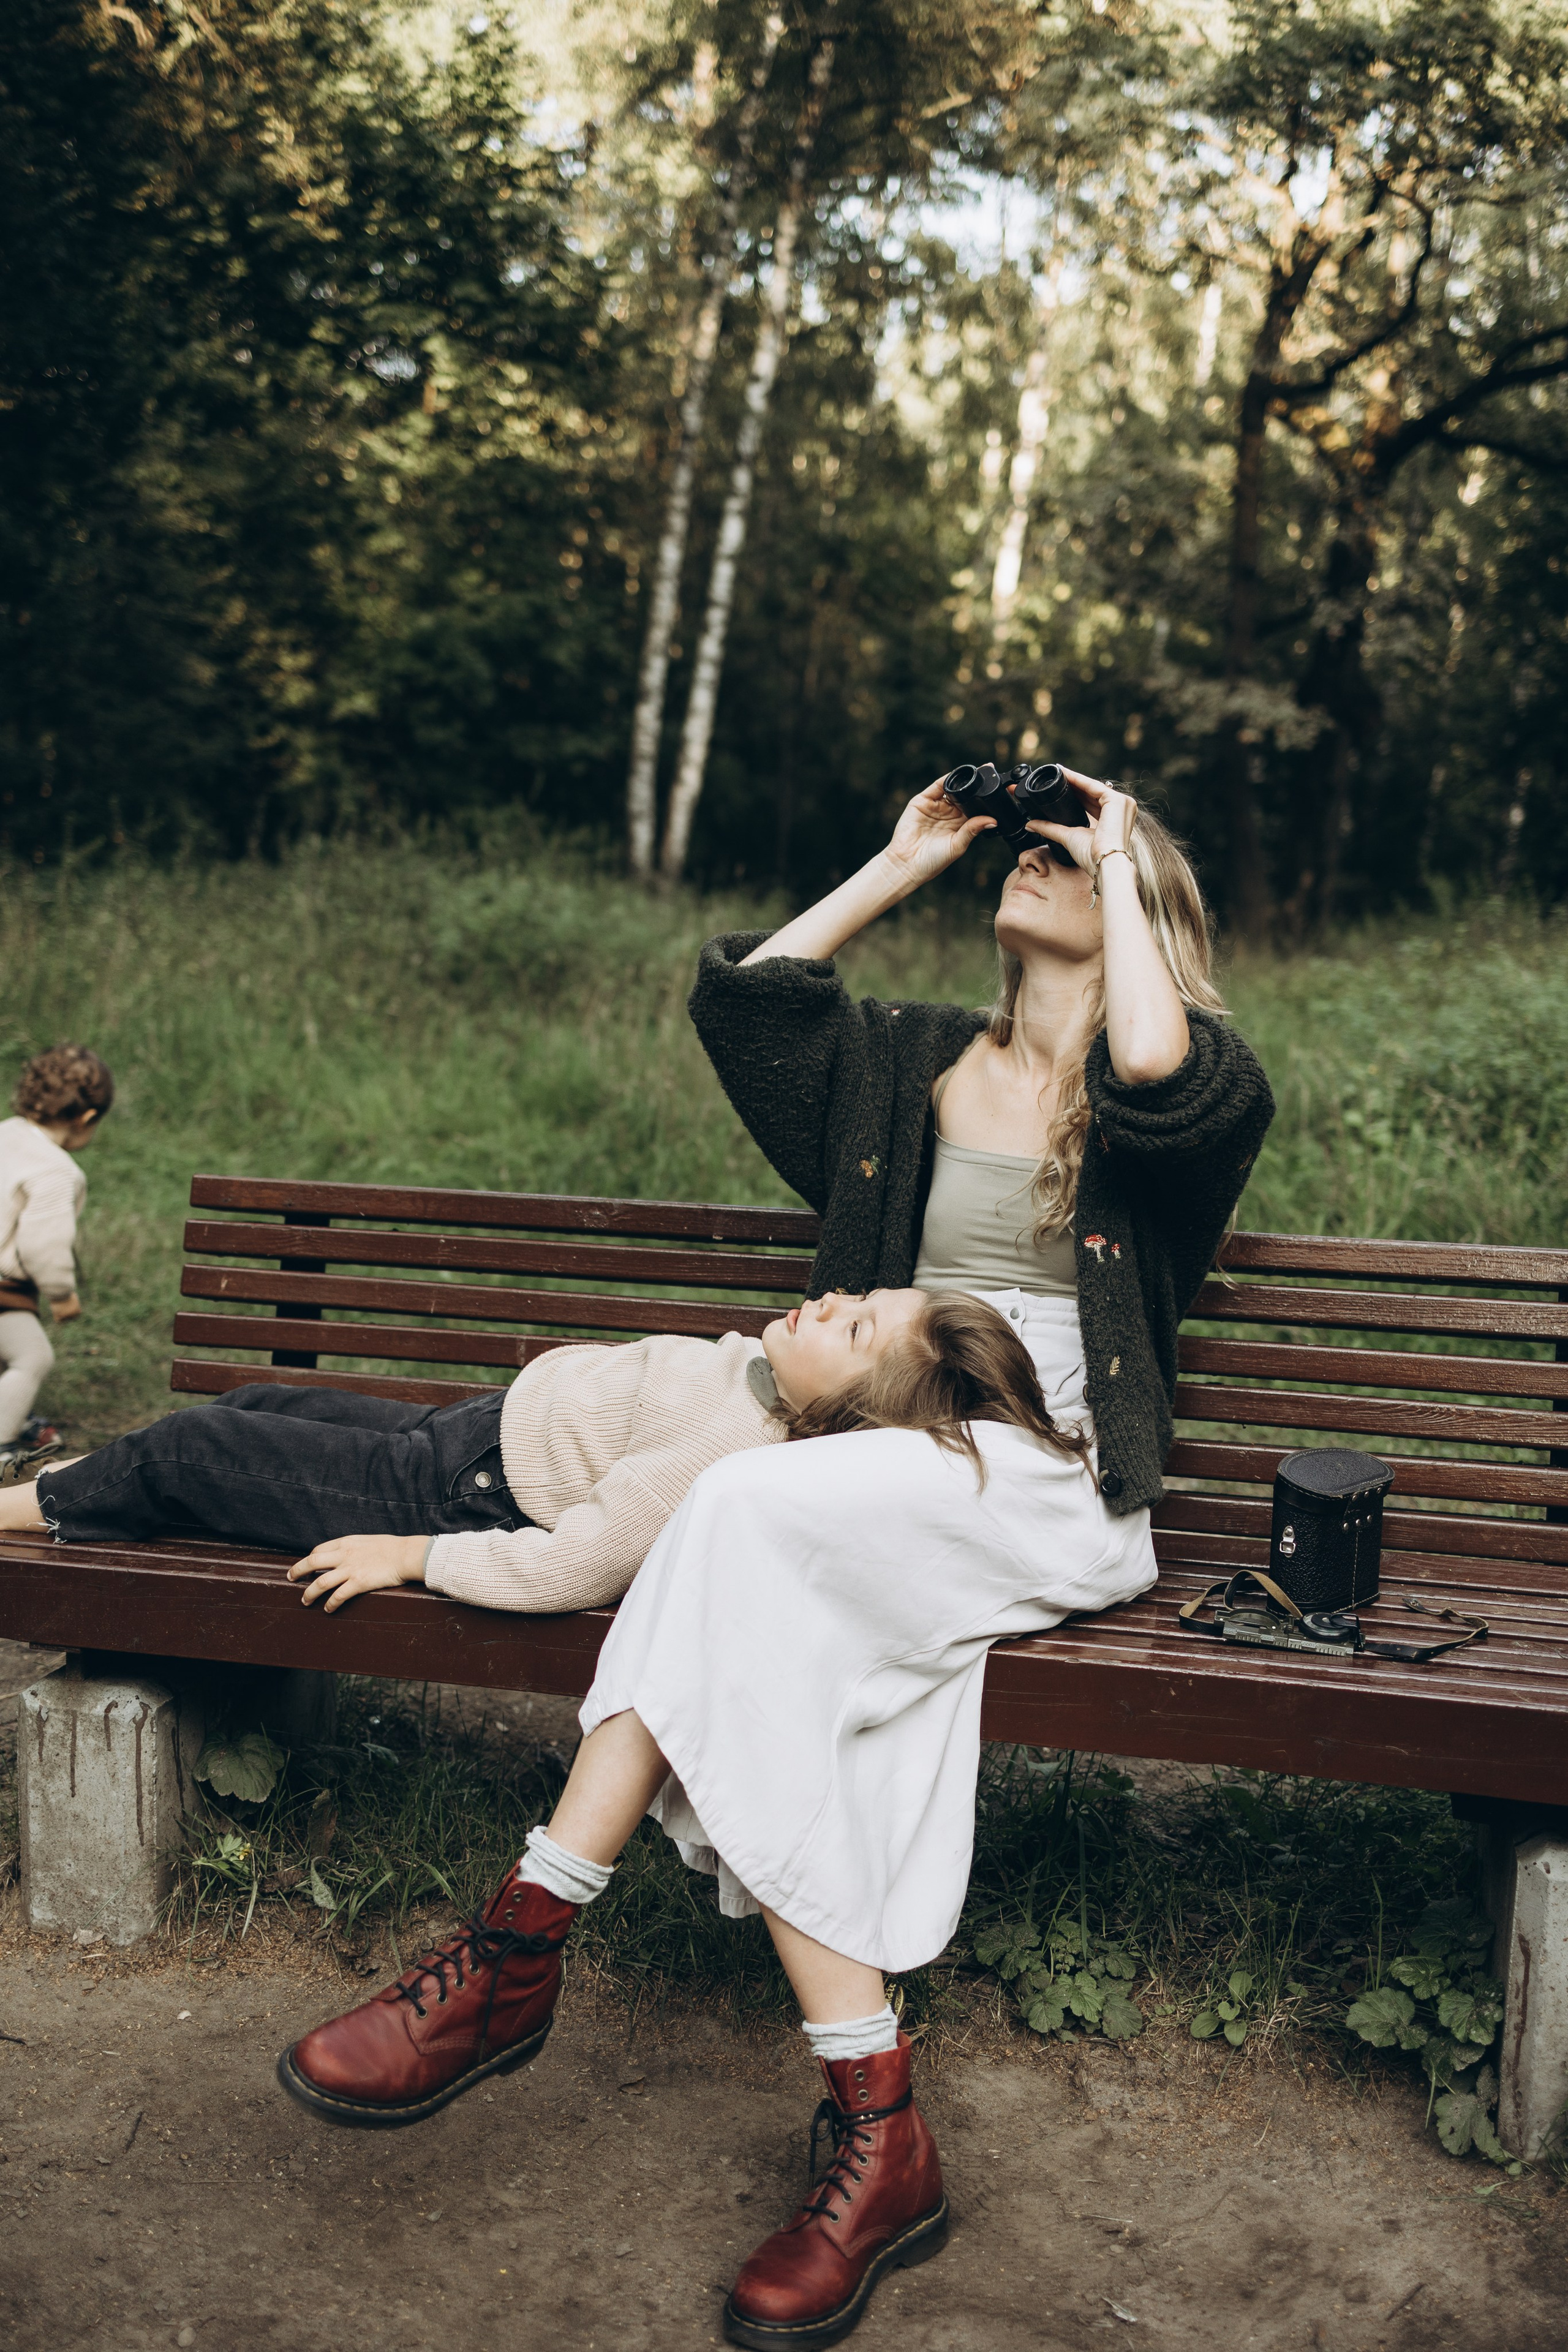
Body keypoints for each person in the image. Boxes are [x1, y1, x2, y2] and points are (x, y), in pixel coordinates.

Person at [276, 766, 1275, 2352]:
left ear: (1143, 907)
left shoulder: (1182, 1094)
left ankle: (521, 1942)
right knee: (773, 1613)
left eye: (1071, 860)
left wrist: (1126, 840)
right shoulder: (910, 1068)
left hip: (1051, 1482)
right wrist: (900, 858)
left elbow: (1159, 1072)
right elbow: (748, 1005)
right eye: (1027, 849)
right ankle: (880, 2130)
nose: (1035, 860)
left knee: (733, 1516)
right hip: (881, 1469)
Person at [0, 1284, 1005, 1605]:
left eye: (858, 1331)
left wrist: (411, 1557)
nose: (835, 1303)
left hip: (460, 1498)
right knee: (266, 1400)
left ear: (853, 1415)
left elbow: (580, 1563)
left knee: (195, 1448)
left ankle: (27, 1507)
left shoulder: (727, 1448)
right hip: (474, 1436)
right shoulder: (767, 1381)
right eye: (860, 1297)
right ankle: (73, 1485)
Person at [0, 1044, 113, 1466]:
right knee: (32, 1356)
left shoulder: (5, 1132)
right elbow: (42, 1246)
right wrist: (62, 1292)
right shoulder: (55, 1171)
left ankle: (13, 1410)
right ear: (86, 1118)